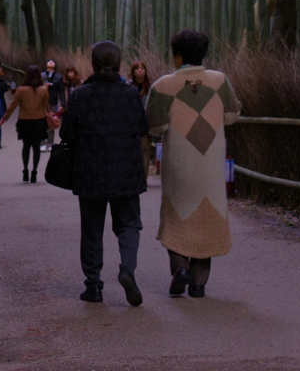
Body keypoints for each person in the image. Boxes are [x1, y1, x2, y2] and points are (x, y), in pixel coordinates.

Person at [146, 29, 241, 299]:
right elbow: (232, 116)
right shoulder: (220, 80)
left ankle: (181, 270)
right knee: (207, 219)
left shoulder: (161, 86)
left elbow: (157, 126)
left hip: (179, 163)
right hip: (210, 164)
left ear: (177, 56)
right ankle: (198, 285)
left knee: (177, 216)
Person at [60, 40, 148, 307]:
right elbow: (142, 128)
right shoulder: (131, 94)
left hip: (90, 172)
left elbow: (66, 134)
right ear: (120, 64)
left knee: (92, 230)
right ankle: (127, 269)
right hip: (126, 171)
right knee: (129, 225)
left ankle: (94, 287)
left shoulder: (81, 95)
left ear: (93, 64)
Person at [0, 65, 49, 182]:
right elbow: (46, 106)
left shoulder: (21, 89)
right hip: (39, 120)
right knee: (36, 147)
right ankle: (34, 172)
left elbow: (13, 104)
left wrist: (5, 118)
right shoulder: (44, 90)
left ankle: (25, 171)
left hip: (25, 121)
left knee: (26, 147)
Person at [128, 61, 153, 174]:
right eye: (137, 68)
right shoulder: (128, 87)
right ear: (133, 71)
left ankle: (144, 175)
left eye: (142, 68)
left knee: (145, 149)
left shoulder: (150, 87)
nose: (140, 70)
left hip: (145, 123)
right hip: (131, 122)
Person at [41, 59, 65, 150]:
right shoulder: (41, 75)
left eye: (53, 61)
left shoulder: (58, 77)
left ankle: (50, 143)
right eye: (49, 61)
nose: (51, 62)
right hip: (42, 103)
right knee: (43, 123)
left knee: (52, 122)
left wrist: (62, 104)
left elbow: (61, 92)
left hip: (53, 102)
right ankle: (42, 142)